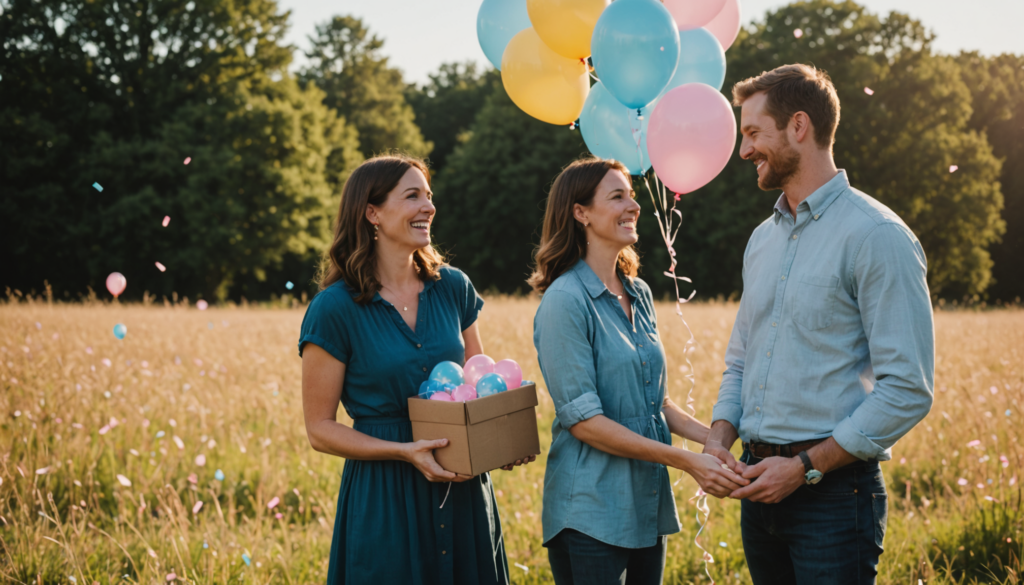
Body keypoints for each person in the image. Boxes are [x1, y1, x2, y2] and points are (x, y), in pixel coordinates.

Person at [703, 64, 935, 584]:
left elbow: (908, 390)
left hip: (832, 498)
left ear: (799, 127)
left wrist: (806, 466)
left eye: (754, 134)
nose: (744, 151)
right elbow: (741, 360)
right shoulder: (761, 239)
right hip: (757, 489)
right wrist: (719, 440)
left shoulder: (877, 236)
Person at [299, 154, 531, 585]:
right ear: (372, 212)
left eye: (429, 195)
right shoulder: (333, 309)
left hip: (461, 485)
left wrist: (501, 440)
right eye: (412, 196)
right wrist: (403, 452)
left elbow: (478, 385)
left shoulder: (454, 288)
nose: (429, 206)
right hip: (385, 495)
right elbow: (320, 429)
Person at [530, 156, 749, 585]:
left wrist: (714, 441)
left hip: (645, 505)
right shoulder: (565, 300)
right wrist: (685, 461)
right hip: (590, 512)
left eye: (632, 195)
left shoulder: (639, 292)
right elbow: (585, 423)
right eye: (617, 197)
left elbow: (657, 401)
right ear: (581, 213)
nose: (634, 205)